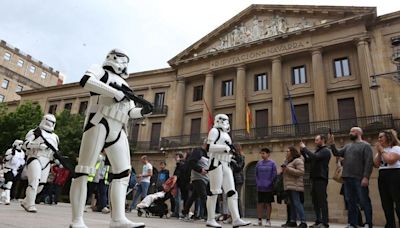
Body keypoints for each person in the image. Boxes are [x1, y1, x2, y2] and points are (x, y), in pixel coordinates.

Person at [69, 49, 152, 228]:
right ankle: (77, 220)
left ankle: (118, 219)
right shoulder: (100, 71)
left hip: (118, 128)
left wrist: (144, 111)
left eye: (121, 58)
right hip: (99, 122)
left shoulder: (126, 85)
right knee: (84, 170)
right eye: (115, 57)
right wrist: (113, 92)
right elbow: (86, 81)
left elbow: (130, 111)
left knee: (123, 173)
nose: (117, 60)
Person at [206, 114, 251, 228]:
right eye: (223, 120)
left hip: (226, 164)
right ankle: (210, 219)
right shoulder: (214, 131)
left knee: (232, 191)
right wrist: (224, 148)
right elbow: (209, 147)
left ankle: (236, 218)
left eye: (226, 120)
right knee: (214, 191)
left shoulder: (226, 134)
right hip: (216, 163)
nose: (225, 122)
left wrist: (231, 155)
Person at [328, 127, 374, 228]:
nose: (350, 133)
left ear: (358, 133)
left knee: (364, 201)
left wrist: (366, 177)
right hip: (347, 178)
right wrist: (332, 143)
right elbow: (337, 153)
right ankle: (352, 223)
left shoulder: (366, 146)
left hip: (359, 178)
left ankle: (368, 223)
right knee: (350, 201)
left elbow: (369, 163)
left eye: (352, 131)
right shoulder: (348, 146)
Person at [21, 114, 59, 213]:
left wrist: (56, 159)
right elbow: (25, 145)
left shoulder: (55, 137)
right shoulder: (35, 132)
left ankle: (26, 200)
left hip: (47, 161)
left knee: (41, 185)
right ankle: (31, 204)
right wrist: (37, 145)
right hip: (35, 157)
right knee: (34, 181)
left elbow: (55, 151)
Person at [300, 135, 331, 228]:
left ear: (322, 140)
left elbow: (314, 157)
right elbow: (308, 160)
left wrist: (305, 148)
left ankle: (325, 223)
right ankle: (318, 221)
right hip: (314, 178)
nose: (315, 142)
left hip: (321, 178)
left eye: (317, 140)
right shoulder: (318, 151)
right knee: (315, 201)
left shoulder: (325, 151)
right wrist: (302, 151)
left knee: (322, 201)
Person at [373, 129, 400, 228]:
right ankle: (390, 225)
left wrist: (381, 150)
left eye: (381, 137)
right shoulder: (381, 151)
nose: (379, 139)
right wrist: (379, 152)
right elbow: (376, 164)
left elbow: (391, 160)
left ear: (388, 137)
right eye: (378, 137)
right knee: (386, 203)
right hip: (383, 175)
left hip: (395, 175)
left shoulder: (396, 148)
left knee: (398, 202)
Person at [181, 142, 209, 221]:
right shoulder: (198, 151)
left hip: (205, 178)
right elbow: (191, 162)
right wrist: (200, 170)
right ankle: (209, 215)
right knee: (204, 196)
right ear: (206, 144)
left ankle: (184, 212)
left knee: (193, 196)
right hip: (198, 178)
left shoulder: (208, 153)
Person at [282, 146, 307, 228]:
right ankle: (293, 221)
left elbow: (301, 172)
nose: (286, 152)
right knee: (292, 204)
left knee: (297, 203)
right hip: (289, 186)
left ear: (292, 152)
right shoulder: (287, 161)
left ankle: (303, 222)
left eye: (288, 151)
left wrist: (288, 169)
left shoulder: (298, 160)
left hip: (296, 186)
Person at [254, 147, 277, 227]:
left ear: (268, 154)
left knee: (268, 204)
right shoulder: (258, 163)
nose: (262, 155)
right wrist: (258, 182)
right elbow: (256, 174)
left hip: (269, 187)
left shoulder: (272, 164)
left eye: (263, 153)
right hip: (260, 187)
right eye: (261, 153)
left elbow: (274, 175)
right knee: (259, 203)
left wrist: (270, 183)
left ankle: (268, 220)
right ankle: (259, 220)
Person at [0, 140, 25, 205]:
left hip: (16, 170)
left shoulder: (22, 152)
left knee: (8, 185)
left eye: (21, 144)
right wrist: (11, 155)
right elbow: (5, 159)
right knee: (9, 184)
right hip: (9, 169)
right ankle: (7, 199)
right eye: (19, 144)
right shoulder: (10, 151)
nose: (21, 146)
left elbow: (22, 161)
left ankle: (3, 197)